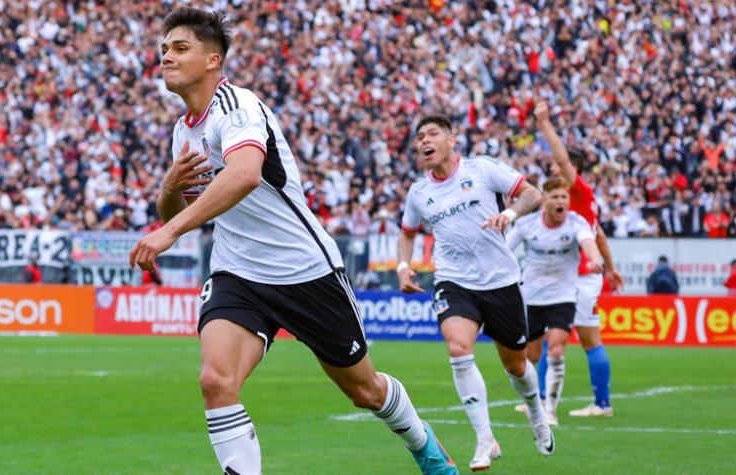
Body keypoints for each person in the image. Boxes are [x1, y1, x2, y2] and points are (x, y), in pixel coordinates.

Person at [128, 9, 458, 474]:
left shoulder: (237, 106)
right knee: (216, 381)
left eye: (180, 48)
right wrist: (167, 195)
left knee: (364, 390)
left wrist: (169, 230)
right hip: (237, 272)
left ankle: (425, 446)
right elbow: (181, 213)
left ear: (212, 60)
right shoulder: (185, 130)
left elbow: (243, 174)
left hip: (304, 269)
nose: (166, 57)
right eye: (163, 49)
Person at [397, 115, 554, 471]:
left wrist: (510, 213)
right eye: (420, 137)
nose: (425, 141)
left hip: (500, 281)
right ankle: (485, 438)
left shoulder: (483, 169)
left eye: (433, 133)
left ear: (452, 140)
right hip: (454, 281)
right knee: (458, 346)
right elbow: (406, 234)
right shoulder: (419, 192)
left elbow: (533, 194)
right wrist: (403, 267)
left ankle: (536, 411)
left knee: (516, 365)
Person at [533, 101, 622, 418]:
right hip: (575, 275)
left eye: (562, 166)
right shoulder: (580, 201)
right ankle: (543, 401)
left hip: (582, 275)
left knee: (587, 338)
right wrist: (611, 268)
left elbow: (560, 157)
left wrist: (544, 123)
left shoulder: (579, 191)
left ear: (573, 170)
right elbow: (599, 237)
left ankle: (601, 404)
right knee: (552, 337)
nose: (556, 168)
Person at [506, 177, 604, 425]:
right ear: (544, 201)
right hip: (531, 298)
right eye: (556, 197)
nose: (561, 202)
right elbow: (504, 248)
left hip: (563, 297)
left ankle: (550, 409)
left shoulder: (575, 222)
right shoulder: (527, 225)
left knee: (557, 347)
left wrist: (594, 259)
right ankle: (533, 402)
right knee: (528, 359)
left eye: (564, 197)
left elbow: (589, 243)